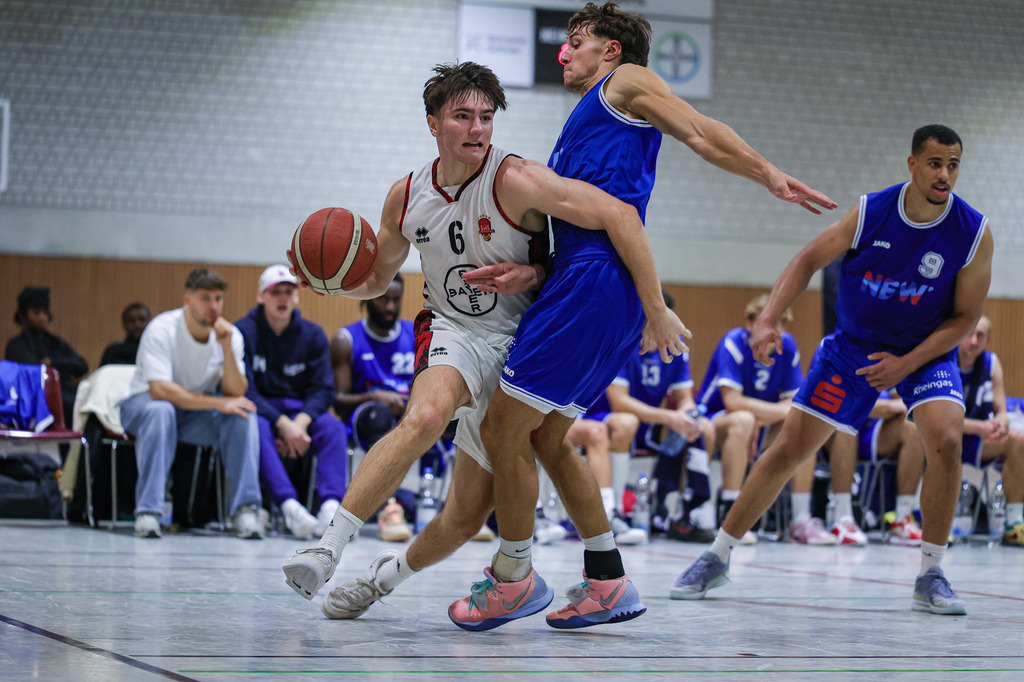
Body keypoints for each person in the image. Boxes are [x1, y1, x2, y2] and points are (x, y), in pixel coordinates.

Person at [454, 1, 834, 630]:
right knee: (545, 436)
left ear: (611, 50)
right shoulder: (588, 114)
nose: (563, 52)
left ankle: (512, 577)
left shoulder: (623, 82)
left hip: (599, 282)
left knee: (503, 428)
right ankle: (607, 580)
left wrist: (768, 174)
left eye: (577, 41)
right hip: (587, 280)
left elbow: (699, 130)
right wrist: (538, 272)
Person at [282, 62, 684, 632]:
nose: (477, 129)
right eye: (463, 116)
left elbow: (612, 218)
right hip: (451, 328)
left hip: (520, 341)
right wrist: (331, 281)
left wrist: (616, 295)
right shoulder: (406, 194)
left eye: (487, 117)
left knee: (465, 516)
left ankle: (379, 580)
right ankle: (326, 548)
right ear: (433, 124)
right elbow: (378, 279)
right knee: (424, 416)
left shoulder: (516, 179)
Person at [672, 125, 992, 618]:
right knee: (789, 449)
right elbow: (806, 260)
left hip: (924, 351)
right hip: (854, 348)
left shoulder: (973, 232)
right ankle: (717, 555)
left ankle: (931, 572)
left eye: (953, 165)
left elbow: (966, 318)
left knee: (946, 441)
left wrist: (906, 364)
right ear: (912, 164)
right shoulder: (871, 212)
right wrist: (769, 319)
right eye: (934, 163)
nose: (944, 174)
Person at [119, 268, 264, 539]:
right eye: (205, 298)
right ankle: (148, 511)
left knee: (242, 415)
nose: (213, 306)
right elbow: (160, 389)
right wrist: (217, 403)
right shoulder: (162, 328)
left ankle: (245, 510)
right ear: (187, 299)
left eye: (218, 299)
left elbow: (236, 391)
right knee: (162, 412)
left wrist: (225, 348)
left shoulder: (230, 335)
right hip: (145, 405)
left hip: (192, 414)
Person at [330, 273, 460, 543]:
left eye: (395, 300)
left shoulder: (415, 334)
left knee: (454, 417)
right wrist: (375, 396)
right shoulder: (346, 339)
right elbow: (338, 400)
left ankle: (448, 504)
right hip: (367, 412)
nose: (390, 306)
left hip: (410, 408)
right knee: (379, 416)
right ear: (368, 298)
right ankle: (390, 507)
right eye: (383, 299)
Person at [235, 265, 349, 540]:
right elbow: (245, 390)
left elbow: (323, 389)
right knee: (253, 427)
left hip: (301, 415)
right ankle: (289, 507)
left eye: (289, 291)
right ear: (261, 296)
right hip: (265, 413)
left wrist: (300, 422)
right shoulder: (243, 332)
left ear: (297, 297)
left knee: (333, 428)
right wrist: (283, 423)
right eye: (276, 292)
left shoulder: (312, 334)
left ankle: (331, 508)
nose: (283, 298)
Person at [697, 295, 822, 545]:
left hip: (759, 422)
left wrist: (760, 420)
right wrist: (759, 417)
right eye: (766, 323)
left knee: (808, 425)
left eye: (779, 324)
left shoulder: (787, 346)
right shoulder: (733, 341)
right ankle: (730, 516)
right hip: (713, 420)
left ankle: (801, 519)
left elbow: (794, 402)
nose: (773, 332)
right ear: (750, 323)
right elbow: (733, 401)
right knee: (743, 419)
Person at [600, 289, 717, 543]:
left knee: (702, 427)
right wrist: (669, 417)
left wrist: (687, 412)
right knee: (626, 423)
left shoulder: (674, 346)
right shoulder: (624, 342)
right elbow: (619, 402)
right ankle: (616, 511)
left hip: (652, 423)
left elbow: (685, 397)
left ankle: (684, 511)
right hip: (609, 418)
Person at [823, 391, 926, 546]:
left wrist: (889, 407)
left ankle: (903, 520)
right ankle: (842, 518)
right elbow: (843, 402)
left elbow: (903, 403)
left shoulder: (888, 365)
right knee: (846, 419)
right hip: (831, 426)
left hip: (873, 426)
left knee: (913, 425)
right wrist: (888, 407)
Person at [956, 315, 1024, 546]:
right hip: (944, 437)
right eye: (970, 333)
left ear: (988, 338)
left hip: (976, 439)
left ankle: (1014, 522)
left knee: (1016, 439)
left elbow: (1002, 409)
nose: (974, 340)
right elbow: (940, 419)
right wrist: (979, 427)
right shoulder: (945, 361)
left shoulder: (991, 363)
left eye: (980, 335)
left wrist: (1001, 424)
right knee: (938, 439)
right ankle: (935, 522)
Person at [6, 286, 89, 422]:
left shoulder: (55, 341)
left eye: (45, 312)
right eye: (36, 312)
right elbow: (35, 371)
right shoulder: (16, 344)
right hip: (36, 400)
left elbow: (82, 365)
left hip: (66, 394)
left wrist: (53, 362)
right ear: (22, 316)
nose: (42, 317)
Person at [565, 408, 644, 544]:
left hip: (573, 413)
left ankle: (608, 514)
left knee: (599, 431)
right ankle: (537, 515)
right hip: (542, 411)